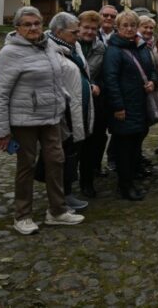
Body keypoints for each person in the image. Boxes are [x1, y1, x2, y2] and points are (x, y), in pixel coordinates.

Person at [0, 6, 84, 234]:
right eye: (27, 24)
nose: (33, 28)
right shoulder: (10, 53)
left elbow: (57, 77)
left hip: (52, 117)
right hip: (25, 120)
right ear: (17, 28)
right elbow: (0, 93)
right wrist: (0, 130)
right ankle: (22, 215)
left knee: (56, 161)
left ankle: (57, 210)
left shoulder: (48, 46)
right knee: (27, 166)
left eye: (37, 23)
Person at [102, 9, 158, 201]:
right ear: (117, 27)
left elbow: (152, 69)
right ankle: (124, 186)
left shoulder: (141, 47)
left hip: (140, 104)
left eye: (132, 25)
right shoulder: (114, 51)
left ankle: (131, 178)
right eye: (125, 25)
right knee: (125, 148)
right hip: (124, 107)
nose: (129, 29)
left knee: (135, 145)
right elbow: (110, 80)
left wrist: (153, 81)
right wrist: (118, 107)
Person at [45, 13, 94, 213]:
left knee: (73, 152)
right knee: (63, 154)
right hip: (64, 112)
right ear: (59, 32)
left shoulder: (75, 46)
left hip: (79, 108)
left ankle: (67, 192)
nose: (78, 35)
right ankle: (61, 196)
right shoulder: (49, 50)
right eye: (74, 32)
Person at [76, 10, 106, 198]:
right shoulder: (70, 45)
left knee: (91, 142)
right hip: (72, 100)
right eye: (86, 27)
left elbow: (104, 74)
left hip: (93, 102)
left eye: (93, 29)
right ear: (78, 27)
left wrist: (97, 85)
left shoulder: (101, 48)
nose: (89, 31)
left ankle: (87, 181)